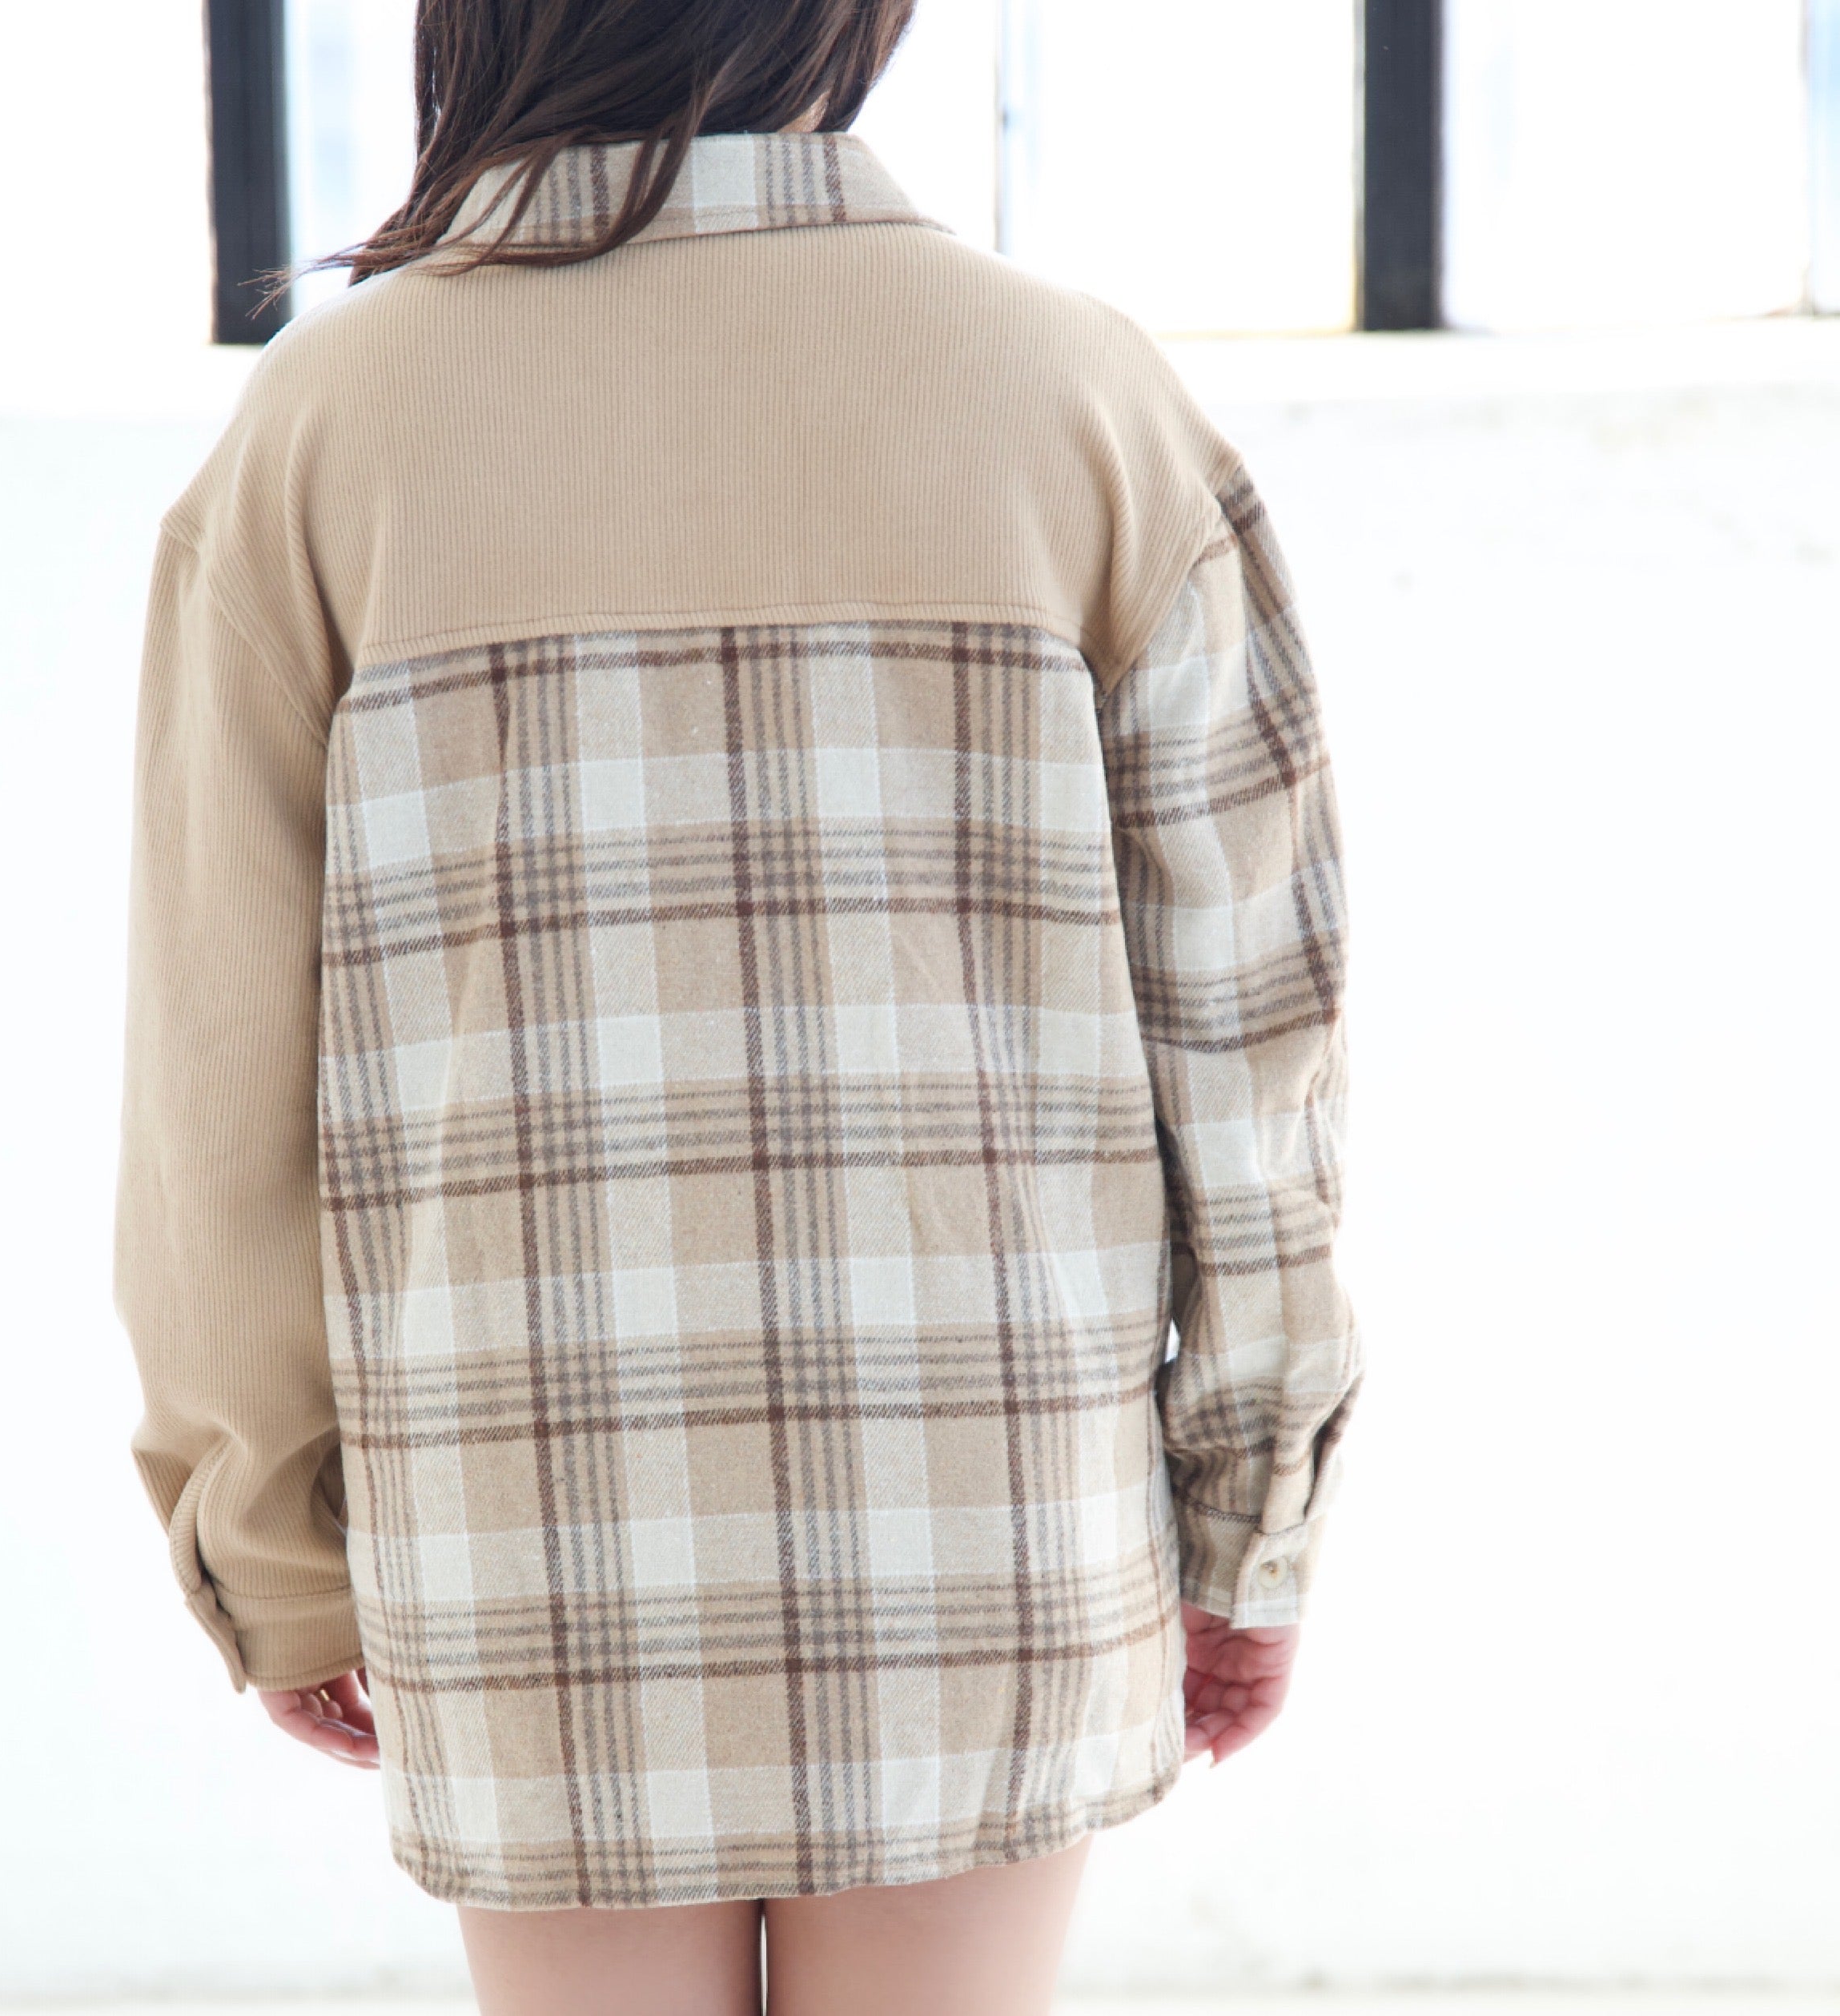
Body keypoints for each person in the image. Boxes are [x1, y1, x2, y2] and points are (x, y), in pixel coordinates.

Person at [111, 2, 1363, 2010]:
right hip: (991, 1532)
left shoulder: (326, 432)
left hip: (532, 1539)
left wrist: (270, 1540)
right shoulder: (1080, 399)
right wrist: (1249, 1510)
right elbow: (1253, 1035)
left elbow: (217, 1086)